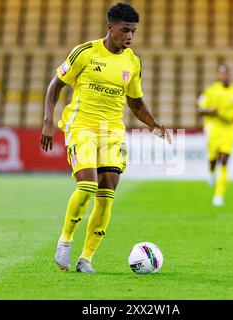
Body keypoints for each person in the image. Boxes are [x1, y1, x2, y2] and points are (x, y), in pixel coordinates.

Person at [40, 3, 171, 273]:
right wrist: (48, 121)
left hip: (112, 132)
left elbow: (135, 102)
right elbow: (56, 85)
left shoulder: (132, 62)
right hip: (82, 127)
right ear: (110, 27)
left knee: (107, 191)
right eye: (125, 30)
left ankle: (86, 258)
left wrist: (154, 125)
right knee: (87, 185)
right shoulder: (85, 53)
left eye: (133, 32)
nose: (130, 37)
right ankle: (65, 241)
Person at [197, 65, 233, 206]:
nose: (225, 76)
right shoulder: (211, 91)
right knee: (213, 159)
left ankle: (219, 195)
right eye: (222, 74)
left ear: (231, 75)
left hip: (230, 129)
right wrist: (210, 110)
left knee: (224, 159)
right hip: (213, 127)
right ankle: (210, 171)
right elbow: (200, 109)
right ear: (218, 76)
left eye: (227, 73)